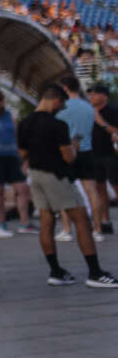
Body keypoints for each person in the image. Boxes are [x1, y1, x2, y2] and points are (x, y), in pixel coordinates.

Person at [17, 83, 118, 289]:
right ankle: (95, 272)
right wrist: (74, 146)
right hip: (56, 176)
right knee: (82, 220)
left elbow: (22, 154)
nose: (61, 109)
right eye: (61, 105)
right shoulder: (58, 125)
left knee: (46, 221)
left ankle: (56, 272)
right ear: (56, 100)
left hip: (36, 175)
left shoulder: (24, 123)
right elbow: (69, 157)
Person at [57, 75, 106, 240]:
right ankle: (97, 230)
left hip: (67, 152)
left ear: (64, 88)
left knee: (64, 191)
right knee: (92, 191)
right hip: (86, 151)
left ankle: (66, 229)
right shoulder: (89, 108)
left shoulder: (61, 107)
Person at [0, 88, 32, 235]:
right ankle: (1, 223)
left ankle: (25, 222)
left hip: (12, 156)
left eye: (0, 101)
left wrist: (22, 156)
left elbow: (16, 135)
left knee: (22, 189)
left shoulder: (9, 116)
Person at [91, 83, 118, 237]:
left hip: (110, 154)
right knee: (99, 189)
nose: (92, 96)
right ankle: (105, 221)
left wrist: (102, 122)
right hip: (94, 155)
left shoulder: (113, 111)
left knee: (115, 186)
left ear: (104, 96)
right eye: (91, 94)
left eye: (95, 94)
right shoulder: (89, 112)